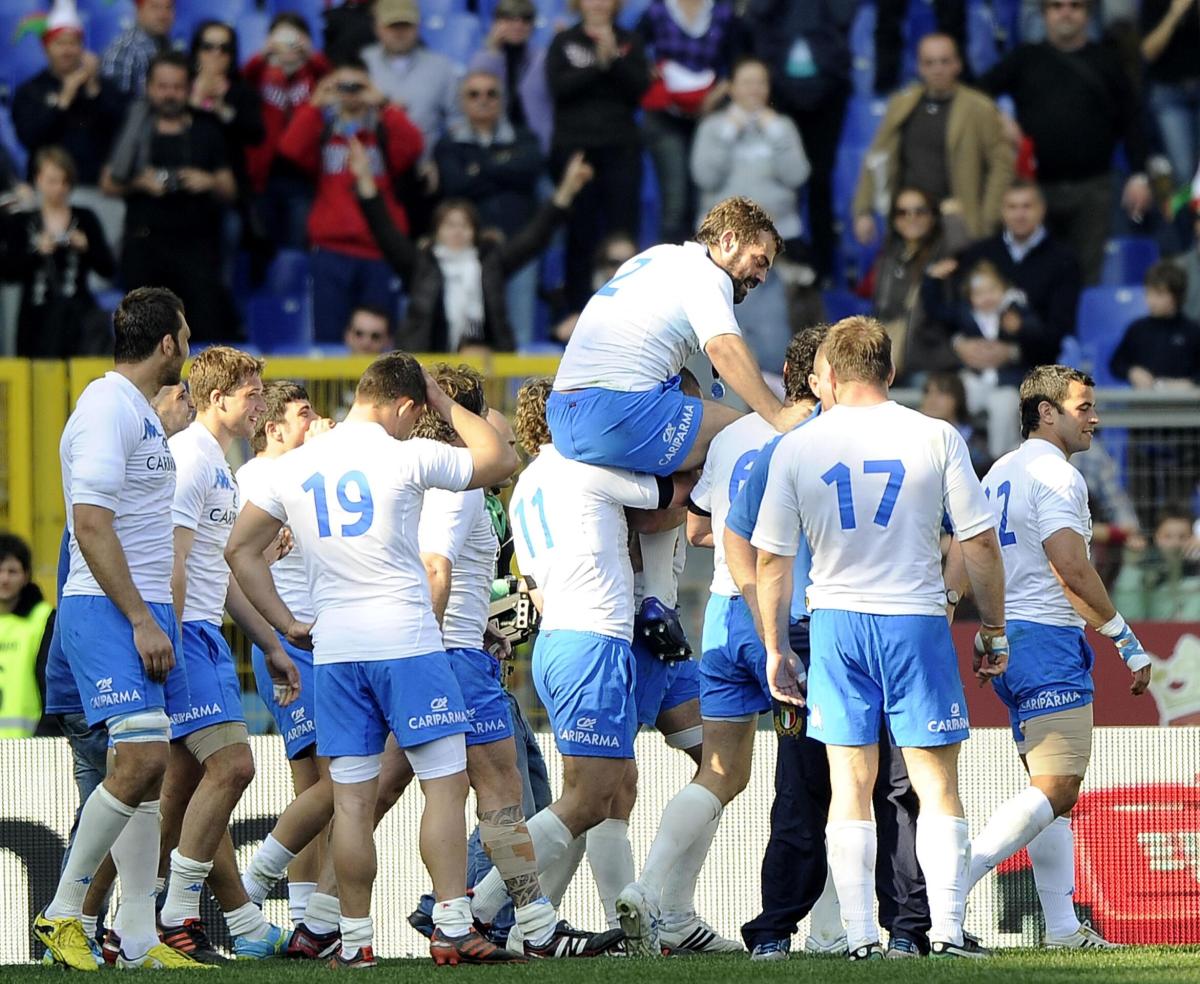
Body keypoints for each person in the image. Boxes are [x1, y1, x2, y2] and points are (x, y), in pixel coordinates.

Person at [225, 353, 520, 968]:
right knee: (446, 787)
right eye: (418, 412)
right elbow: (500, 458)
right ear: (407, 405)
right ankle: (452, 925)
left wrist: (285, 624)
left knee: (352, 802)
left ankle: (354, 942)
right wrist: (446, 402)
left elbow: (240, 551)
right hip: (407, 641)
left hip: (334, 650)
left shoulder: (296, 465)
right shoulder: (404, 453)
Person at [752, 316, 1009, 959]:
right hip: (914, 618)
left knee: (850, 781)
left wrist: (777, 647)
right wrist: (994, 627)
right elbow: (977, 540)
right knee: (934, 779)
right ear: (891, 373)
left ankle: (861, 937)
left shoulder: (799, 445)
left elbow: (772, 560)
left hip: (835, 622)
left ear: (830, 376)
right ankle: (943, 932)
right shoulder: (934, 435)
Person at [463, 379, 693, 950]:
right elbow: (662, 505)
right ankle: (487, 904)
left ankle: (536, 924)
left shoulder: (527, 485)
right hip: (594, 640)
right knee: (590, 797)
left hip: (561, 639)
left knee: (601, 791)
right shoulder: (583, 469)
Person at [614, 332, 824, 956]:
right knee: (828, 777)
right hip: (792, 621)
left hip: (728, 614)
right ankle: (832, 929)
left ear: (783, 371)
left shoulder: (731, 434)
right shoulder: (825, 438)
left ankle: (652, 892)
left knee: (722, 770)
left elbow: (702, 526)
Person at [414, 365, 621, 958]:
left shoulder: (416, 476)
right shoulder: (461, 483)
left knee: (367, 794)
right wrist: (441, 644)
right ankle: (518, 924)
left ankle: (329, 920)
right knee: (500, 796)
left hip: (432, 647)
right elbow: (436, 568)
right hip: (452, 658)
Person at [946, 364, 1151, 949]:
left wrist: (988, 631)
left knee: (1051, 798)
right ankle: (952, 888)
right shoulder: (1057, 476)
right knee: (1058, 789)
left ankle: (1061, 928)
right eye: (1083, 407)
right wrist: (1123, 636)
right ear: (1046, 412)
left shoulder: (998, 470)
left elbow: (971, 548)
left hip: (1013, 639)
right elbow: (1070, 565)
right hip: (1049, 640)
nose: (1095, 418)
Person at [546, 196, 809, 646]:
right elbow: (724, 349)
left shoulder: (654, 258)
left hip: (563, 412)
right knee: (740, 434)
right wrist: (780, 415)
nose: (762, 276)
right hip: (615, 411)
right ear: (727, 241)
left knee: (685, 388)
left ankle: (655, 544)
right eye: (759, 260)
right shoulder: (706, 275)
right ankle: (675, 585)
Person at [36, 286, 202, 972]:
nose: (188, 350)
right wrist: (138, 616)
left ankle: (137, 938)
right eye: (186, 338)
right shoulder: (106, 407)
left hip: (137, 606)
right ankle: (62, 913)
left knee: (147, 767)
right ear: (167, 343)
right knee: (141, 761)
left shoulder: (135, 411)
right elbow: (91, 524)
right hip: (107, 606)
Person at [154, 347, 297, 963]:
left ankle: (234, 922)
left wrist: (271, 641)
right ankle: (174, 913)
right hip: (186, 636)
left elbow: (223, 572)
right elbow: (176, 563)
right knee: (235, 767)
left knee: (184, 796)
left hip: (204, 634)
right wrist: (171, 640)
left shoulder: (217, 462)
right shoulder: (190, 459)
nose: (260, 403)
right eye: (251, 394)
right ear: (217, 400)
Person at [236, 382, 339, 958]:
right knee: (335, 781)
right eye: (304, 415)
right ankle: (255, 884)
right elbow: (243, 559)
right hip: (291, 640)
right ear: (274, 428)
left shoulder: (300, 474)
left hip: (313, 639)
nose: (316, 421)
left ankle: (304, 924)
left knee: (314, 786)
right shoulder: (258, 479)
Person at [351, 139, 593, 353]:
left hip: (485, 372)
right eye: (449, 225)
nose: (457, 231)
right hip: (426, 372)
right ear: (436, 233)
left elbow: (534, 237)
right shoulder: (421, 264)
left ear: (474, 233)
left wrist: (567, 190)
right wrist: (364, 178)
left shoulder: (490, 263)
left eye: (464, 225)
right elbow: (385, 231)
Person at [978, 0, 1152, 284]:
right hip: (1036, 188)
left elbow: (1132, 121)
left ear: (1087, 14)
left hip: (1093, 188)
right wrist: (1000, 119)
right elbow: (976, 94)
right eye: (1057, 6)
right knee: (1032, 279)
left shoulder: (1107, 60)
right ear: (1044, 14)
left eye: (1075, 6)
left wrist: (1139, 174)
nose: (1066, 12)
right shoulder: (1025, 57)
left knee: (1086, 277)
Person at [278, 55, 423, 343]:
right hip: (331, 251)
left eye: (357, 86)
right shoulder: (325, 130)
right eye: (342, 86)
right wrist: (315, 103)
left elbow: (414, 145)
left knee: (380, 344)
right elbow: (290, 149)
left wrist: (382, 103)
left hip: (379, 252)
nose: (350, 93)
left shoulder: (382, 129)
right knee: (330, 340)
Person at [102, 52, 240, 342]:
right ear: (150, 87)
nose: (169, 94)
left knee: (204, 332)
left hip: (196, 249)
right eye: (163, 87)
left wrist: (208, 180)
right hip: (145, 246)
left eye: (177, 87)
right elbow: (108, 183)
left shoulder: (206, 129)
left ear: (188, 88)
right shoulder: (134, 128)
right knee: (144, 337)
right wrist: (139, 183)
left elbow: (230, 188)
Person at [852, 33, 1013, 244]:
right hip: (908, 219)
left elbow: (1002, 165)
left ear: (958, 64)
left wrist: (987, 219)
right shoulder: (901, 105)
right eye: (929, 63)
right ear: (919, 67)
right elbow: (877, 157)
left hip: (956, 219)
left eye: (945, 61)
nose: (938, 69)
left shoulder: (979, 108)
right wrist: (863, 210)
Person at [545, 0, 651, 310]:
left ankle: (630, 308)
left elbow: (638, 89)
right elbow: (559, 88)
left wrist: (614, 59)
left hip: (621, 149)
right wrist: (599, 64)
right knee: (579, 233)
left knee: (622, 234)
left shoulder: (630, 41)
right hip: (577, 151)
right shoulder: (564, 41)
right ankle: (576, 310)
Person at [744, 0, 856, 280]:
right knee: (781, 178)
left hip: (828, 91)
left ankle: (823, 268)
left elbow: (845, 14)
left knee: (820, 180)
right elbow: (756, 13)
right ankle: (776, 261)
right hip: (779, 87)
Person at [434, 69, 545, 348]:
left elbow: (529, 170)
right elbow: (455, 185)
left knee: (519, 335)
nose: (483, 100)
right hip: (470, 256)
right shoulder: (449, 143)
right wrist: (503, 167)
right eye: (474, 94)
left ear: (503, 100)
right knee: (466, 336)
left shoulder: (524, 138)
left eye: (491, 93)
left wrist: (478, 168)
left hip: (519, 248)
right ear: (462, 102)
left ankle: (522, 393)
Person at [12, 0, 125, 240]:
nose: (67, 50)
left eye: (73, 43)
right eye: (59, 43)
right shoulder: (30, 91)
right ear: (46, 48)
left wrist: (94, 89)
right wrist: (63, 99)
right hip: (47, 195)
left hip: (98, 190)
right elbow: (30, 136)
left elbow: (120, 131)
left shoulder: (103, 88)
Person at [951, 181, 1082, 383]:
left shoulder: (1063, 260)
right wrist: (959, 344)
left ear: (1041, 209)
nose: (1019, 214)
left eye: (1027, 206)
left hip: (1034, 372)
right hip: (972, 367)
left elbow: (1061, 327)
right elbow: (954, 310)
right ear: (1002, 211)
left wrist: (1014, 352)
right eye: (1012, 207)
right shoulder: (978, 254)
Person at [637, 0, 742, 245]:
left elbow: (738, 61)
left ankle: (706, 273)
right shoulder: (657, 11)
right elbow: (633, 48)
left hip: (709, 114)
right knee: (676, 201)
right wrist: (648, 69)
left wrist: (718, 93)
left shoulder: (723, 13)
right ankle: (668, 274)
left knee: (707, 202)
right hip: (665, 116)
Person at [690, 58, 810, 256]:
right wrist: (727, 135)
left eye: (761, 83)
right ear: (731, 88)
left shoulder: (783, 126)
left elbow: (797, 176)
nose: (754, 89)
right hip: (722, 234)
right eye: (746, 83)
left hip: (778, 232)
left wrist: (776, 133)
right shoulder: (711, 127)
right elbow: (705, 178)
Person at [3, 147, 115, 358]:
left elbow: (108, 268)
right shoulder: (23, 222)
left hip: (77, 316)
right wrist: (36, 252)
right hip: (36, 317)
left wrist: (87, 247)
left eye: (64, 182)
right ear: (38, 179)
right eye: (52, 181)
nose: (59, 188)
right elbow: (9, 272)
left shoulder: (85, 218)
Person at [242, 13, 332, 249]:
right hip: (265, 173)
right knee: (264, 244)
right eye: (282, 37)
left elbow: (331, 75)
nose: (288, 45)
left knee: (296, 245)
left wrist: (309, 54)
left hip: (302, 174)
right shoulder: (262, 73)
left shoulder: (312, 74)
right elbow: (242, 79)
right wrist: (265, 53)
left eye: (294, 38)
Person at [862, 187, 969, 381]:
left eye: (920, 211)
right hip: (893, 359)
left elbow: (963, 243)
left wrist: (950, 217)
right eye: (903, 212)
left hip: (933, 360)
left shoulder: (946, 251)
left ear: (933, 215)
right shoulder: (889, 257)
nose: (911, 218)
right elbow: (881, 309)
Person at [362, 0, 460, 173]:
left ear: (418, 27)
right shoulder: (363, 62)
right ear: (378, 28)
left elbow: (456, 120)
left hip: (425, 166)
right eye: (392, 26)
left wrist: (445, 162)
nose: (399, 33)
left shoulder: (441, 66)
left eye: (406, 25)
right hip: (372, 168)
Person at [468, 0, 553, 154]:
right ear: (496, 23)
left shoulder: (544, 59)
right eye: (509, 18)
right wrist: (492, 50)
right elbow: (476, 89)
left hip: (536, 146)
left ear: (533, 24)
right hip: (493, 146)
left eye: (525, 18)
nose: (518, 24)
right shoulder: (484, 57)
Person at [1109, 260, 1200, 387]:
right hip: (1144, 402)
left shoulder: (1193, 331)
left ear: (1177, 296)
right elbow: (1116, 363)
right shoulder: (1137, 329)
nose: (1151, 301)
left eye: (1159, 294)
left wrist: (1191, 383)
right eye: (1148, 293)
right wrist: (1132, 372)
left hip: (1182, 403)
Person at [1140, 0, 1200, 187]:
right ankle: (1189, 216)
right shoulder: (1154, 4)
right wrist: (1174, 14)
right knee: (1183, 172)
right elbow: (1148, 52)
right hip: (1169, 95)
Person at [0, 533, 53, 738]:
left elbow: (51, 684)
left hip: (27, 746)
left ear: (26, 575)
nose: (4, 579)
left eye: (12, 571)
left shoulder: (43, 620)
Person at [1113, 504, 1200, 621]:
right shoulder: (1143, 572)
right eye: (1168, 536)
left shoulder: (1196, 576)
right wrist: (1131, 564)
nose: (1175, 543)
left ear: (1193, 538)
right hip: (1153, 635)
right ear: (1157, 537)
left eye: (1183, 537)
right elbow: (1128, 614)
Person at [919, 371, 992, 477]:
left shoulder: (976, 442)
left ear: (957, 399)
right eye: (928, 393)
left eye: (941, 393)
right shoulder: (913, 437)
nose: (932, 400)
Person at [101, 0, 175, 100]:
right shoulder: (125, 50)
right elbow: (116, 106)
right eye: (155, 7)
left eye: (168, 8)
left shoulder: (168, 46)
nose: (163, 15)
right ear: (139, 10)